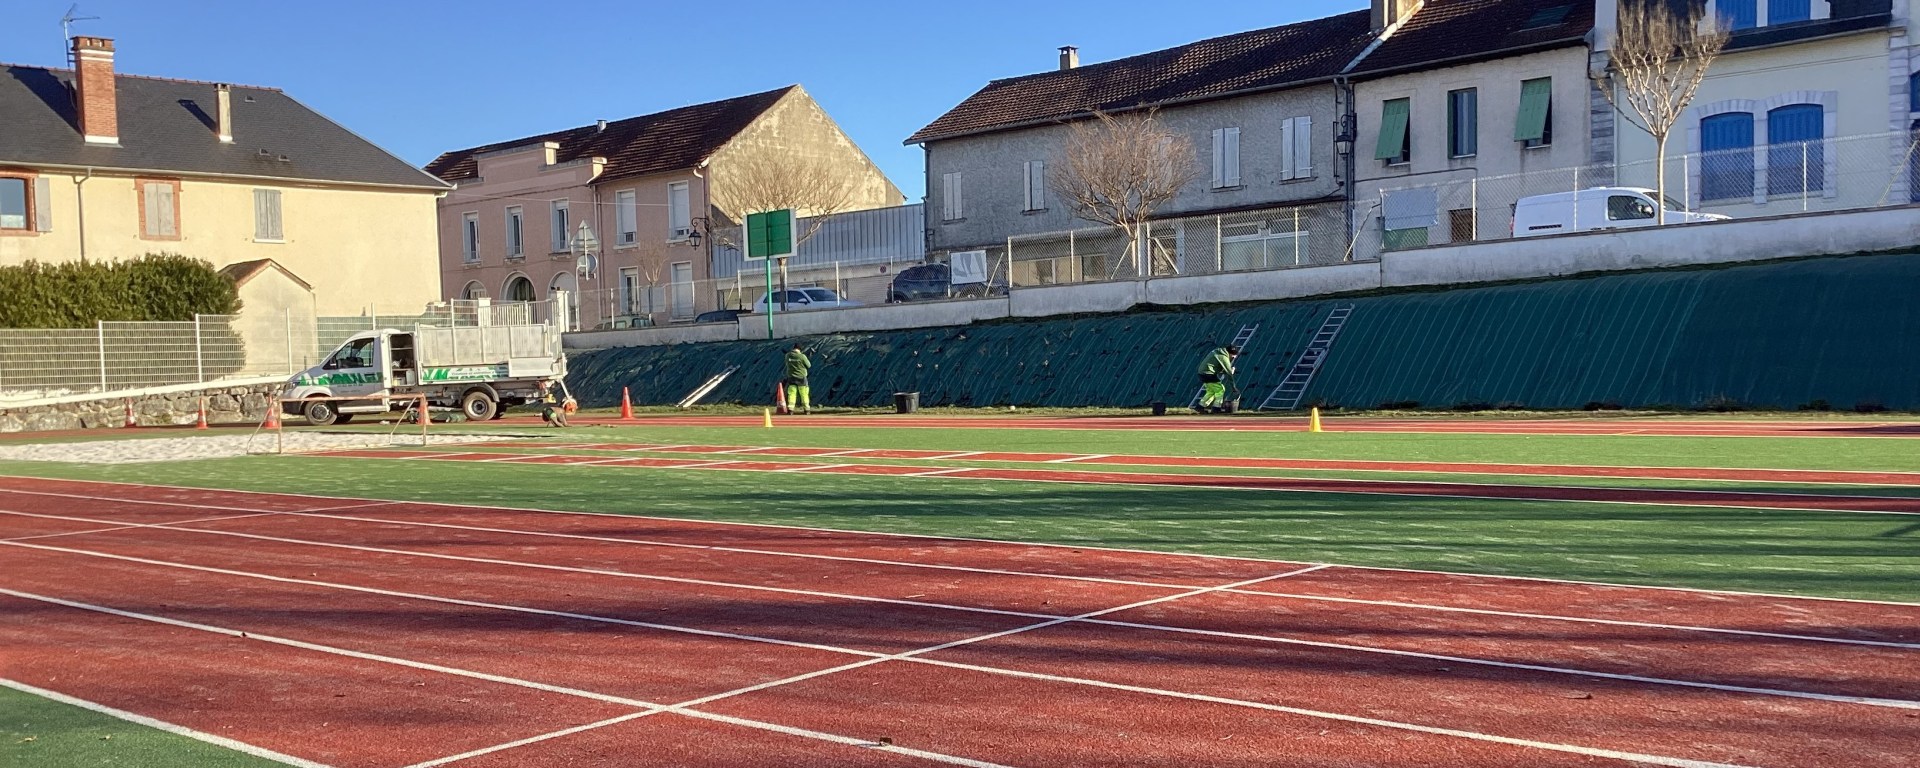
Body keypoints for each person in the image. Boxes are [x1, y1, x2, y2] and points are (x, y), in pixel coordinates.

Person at [1195, 344, 1240, 414]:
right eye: (1233, 356)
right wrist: (1233, 387)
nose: (1233, 358)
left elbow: (1216, 367)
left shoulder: (1217, 352)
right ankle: (1216, 408)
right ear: (1230, 353)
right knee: (1221, 389)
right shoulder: (1223, 357)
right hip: (1208, 374)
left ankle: (1200, 407)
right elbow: (1229, 374)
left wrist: (1227, 371)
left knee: (1211, 391)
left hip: (1202, 373)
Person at [782, 343, 812, 414]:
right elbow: (809, 365)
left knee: (792, 393)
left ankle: (790, 409)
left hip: (791, 377)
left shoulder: (788, 355)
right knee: (804, 393)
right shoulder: (802, 356)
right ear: (800, 349)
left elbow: (787, 362)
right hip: (801, 377)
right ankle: (806, 409)